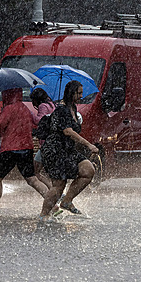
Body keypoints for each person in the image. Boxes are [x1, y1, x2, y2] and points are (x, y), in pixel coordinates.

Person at [0, 88, 49, 216]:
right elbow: (33, 124)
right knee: (32, 179)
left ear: (7, 94)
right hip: (26, 147)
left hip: (9, 148)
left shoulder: (8, 108)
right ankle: (52, 204)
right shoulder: (25, 108)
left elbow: (0, 126)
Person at [39, 81, 99, 220]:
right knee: (59, 185)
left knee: (88, 170)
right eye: (78, 93)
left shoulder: (73, 108)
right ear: (71, 93)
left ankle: (67, 201)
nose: (81, 96)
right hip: (55, 150)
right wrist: (89, 145)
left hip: (68, 150)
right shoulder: (62, 109)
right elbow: (68, 131)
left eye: (81, 93)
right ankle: (43, 215)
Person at [30, 88, 55, 189]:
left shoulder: (43, 106)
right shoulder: (52, 105)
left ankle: (52, 190)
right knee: (51, 171)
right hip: (52, 142)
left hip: (45, 144)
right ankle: (55, 189)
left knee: (35, 172)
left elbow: (40, 121)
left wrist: (30, 114)